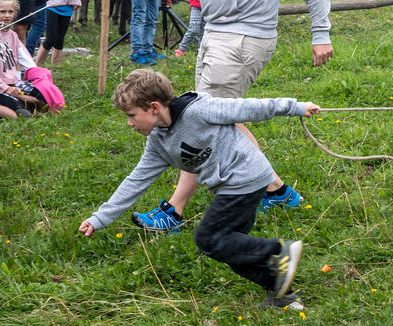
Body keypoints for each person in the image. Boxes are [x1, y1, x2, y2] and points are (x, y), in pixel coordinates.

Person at [133, 0, 332, 233]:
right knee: (225, 117)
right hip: (214, 33)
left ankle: (173, 212)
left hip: (246, 38)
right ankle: (276, 189)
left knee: (202, 119)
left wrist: (320, 33)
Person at [79, 69, 314, 310]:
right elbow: (136, 180)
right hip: (233, 184)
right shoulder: (158, 141)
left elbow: (250, 107)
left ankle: (278, 252)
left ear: (153, 107)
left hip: (244, 176)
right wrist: (100, 218)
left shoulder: (199, 110)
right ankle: (282, 293)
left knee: (208, 239)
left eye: (131, 115)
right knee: (230, 247)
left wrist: (296, 107)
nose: (129, 123)